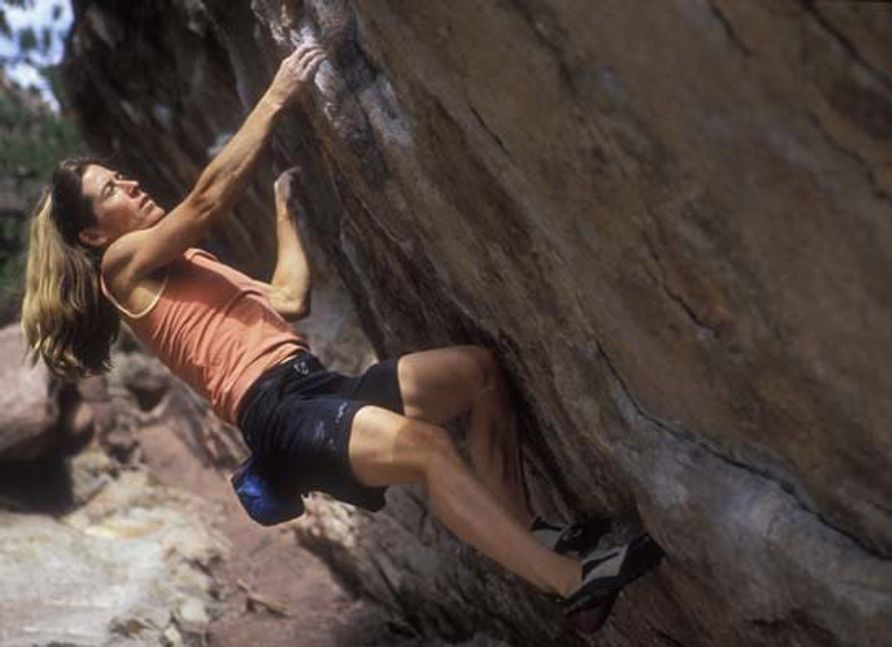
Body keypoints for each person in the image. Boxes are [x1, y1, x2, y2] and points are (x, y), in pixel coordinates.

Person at [19, 42, 660, 632]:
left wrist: (284, 213)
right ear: (94, 235)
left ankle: (530, 536)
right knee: (429, 449)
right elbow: (207, 200)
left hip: (316, 387)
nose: (130, 184)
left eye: (120, 176)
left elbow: (287, 301)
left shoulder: (185, 268)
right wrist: (277, 95)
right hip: (277, 414)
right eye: (111, 189)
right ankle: (571, 582)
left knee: (477, 372)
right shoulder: (120, 267)